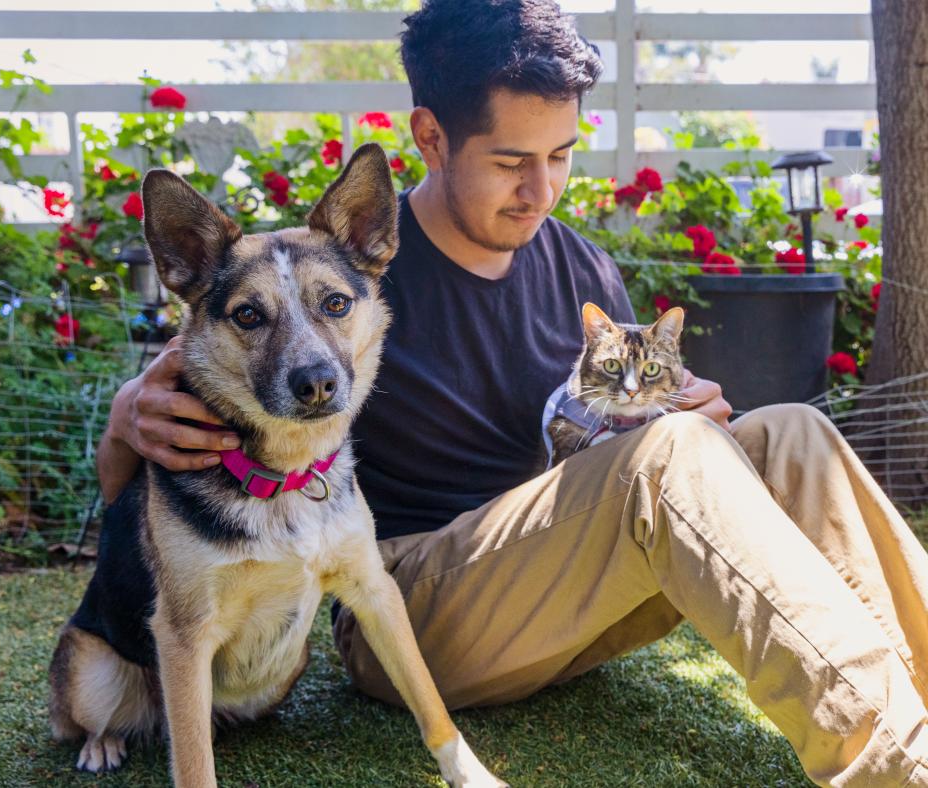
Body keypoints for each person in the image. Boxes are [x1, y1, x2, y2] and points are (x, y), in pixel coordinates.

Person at [96, 1, 928, 784]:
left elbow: (616, 450)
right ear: (430, 136)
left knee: (790, 433)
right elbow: (153, 478)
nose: (541, 189)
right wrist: (126, 421)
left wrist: (686, 415)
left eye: (560, 155)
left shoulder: (581, 266)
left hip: (553, 588)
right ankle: (894, 762)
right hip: (411, 608)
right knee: (668, 460)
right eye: (510, 161)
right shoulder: (336, 280)